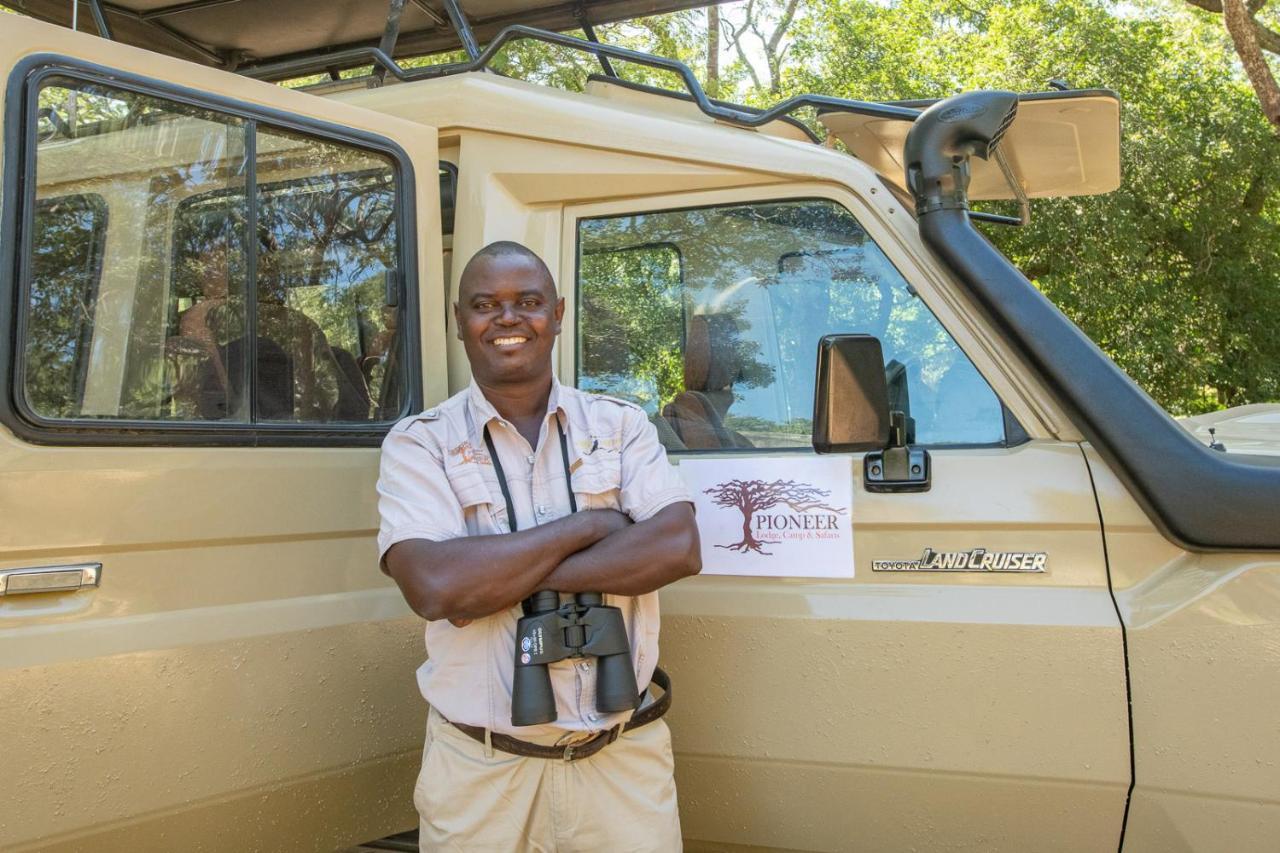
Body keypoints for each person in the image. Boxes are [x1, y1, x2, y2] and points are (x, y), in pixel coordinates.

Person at [376, 240, 701, 852]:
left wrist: (496, 579)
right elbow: (435, 587)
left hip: (621, 758)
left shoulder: (620, 424)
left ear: (556, 314)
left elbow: (678, 547)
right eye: (485, 304)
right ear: (460, 321)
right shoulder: (421, 443)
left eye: (527, 302)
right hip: (483, 767)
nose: (507, 318)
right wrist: (591, 527)